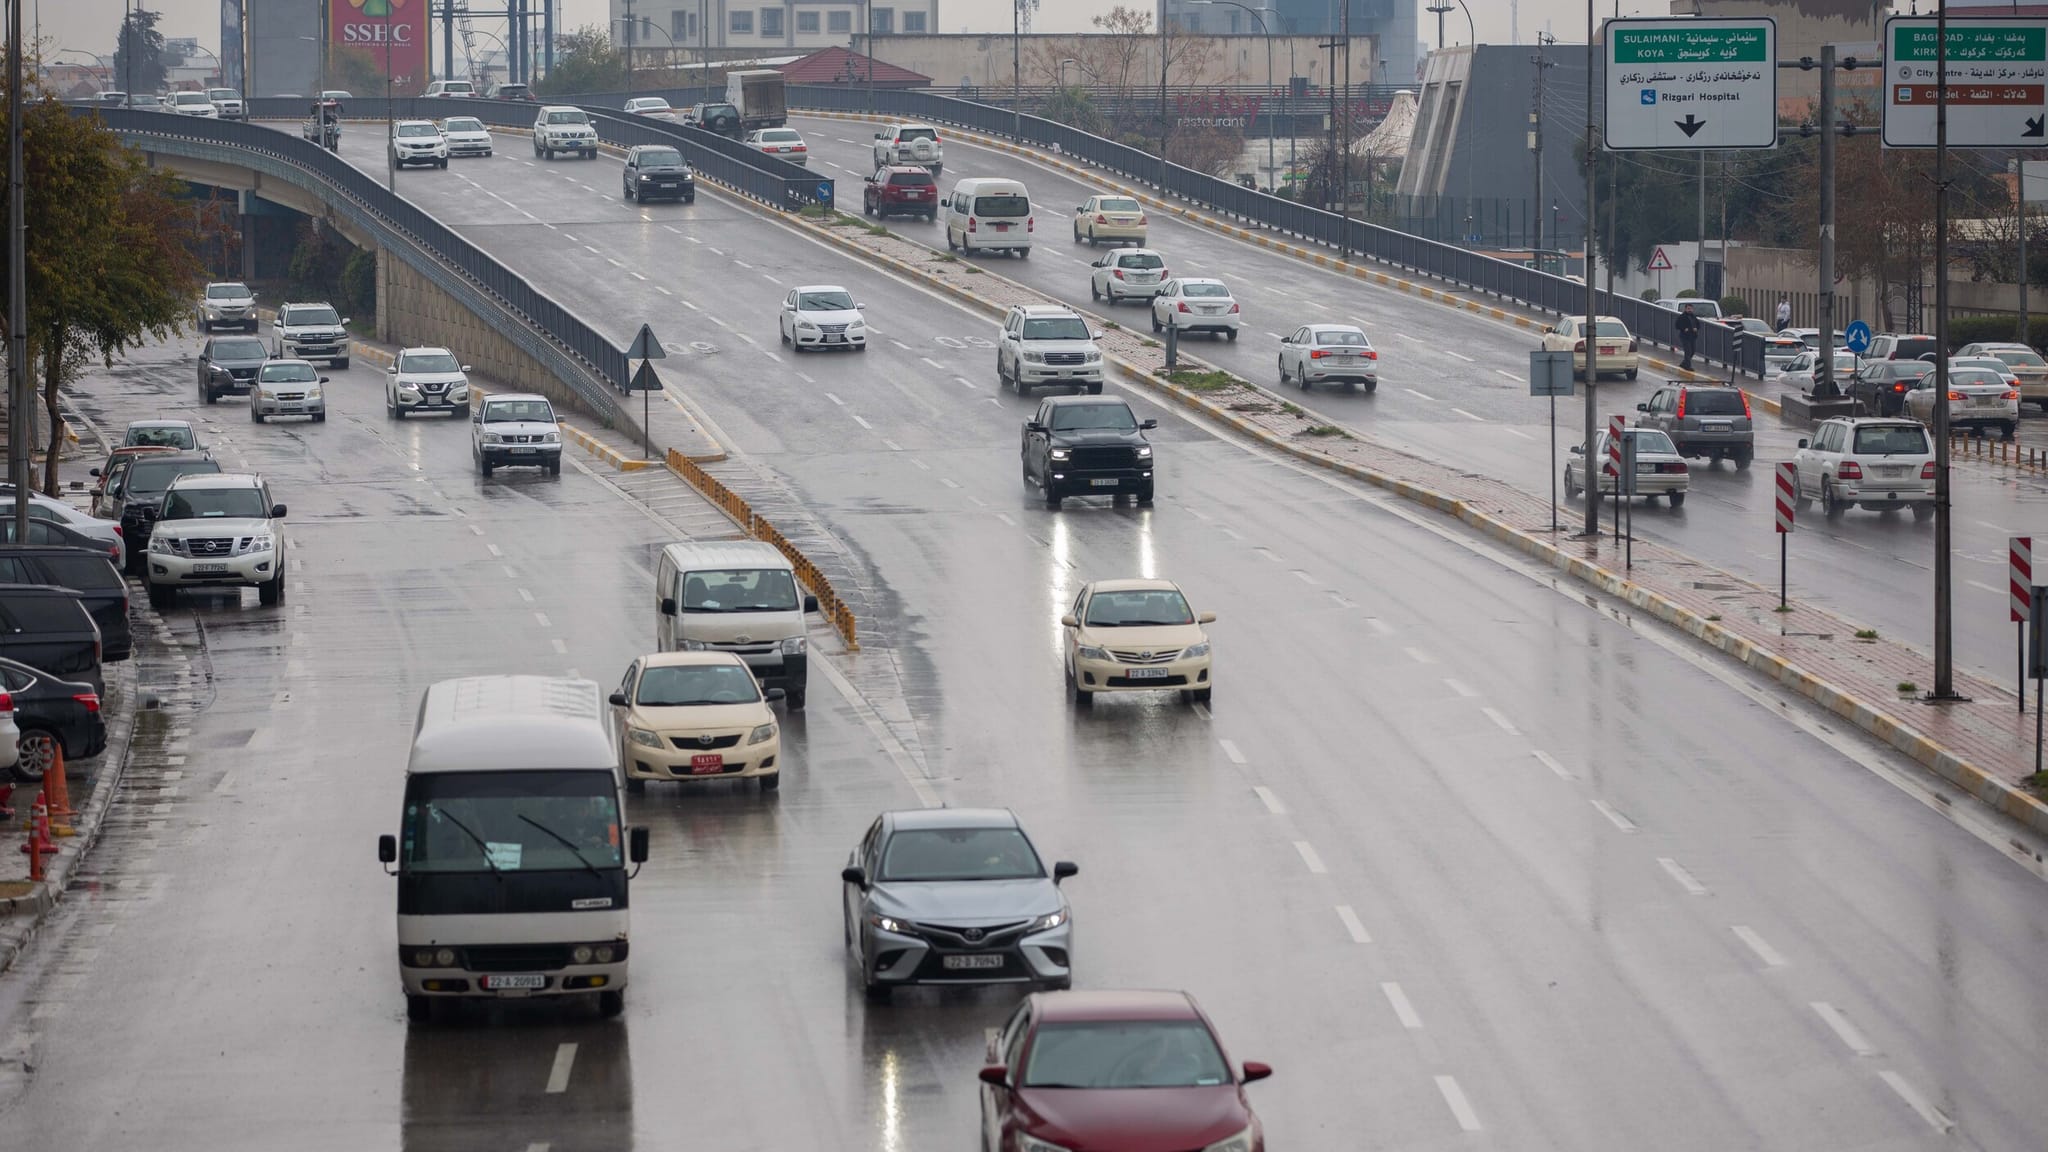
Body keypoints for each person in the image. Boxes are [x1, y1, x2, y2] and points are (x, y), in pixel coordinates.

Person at [1677, 303, 1701, 370]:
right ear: (1685, 309)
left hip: (1693, 336)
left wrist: (1696, 328)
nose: (1689, 310)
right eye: (1688, 309)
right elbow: (1677, 325)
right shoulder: (1682, 316)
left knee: (1693, 351)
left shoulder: (1693, 316)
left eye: (1691, 309)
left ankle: (1684, 363)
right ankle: (1688, 366)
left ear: (1692, 309)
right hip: (1685, 336)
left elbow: (1698, 324)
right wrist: (1684, 328)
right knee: (1688, 351)